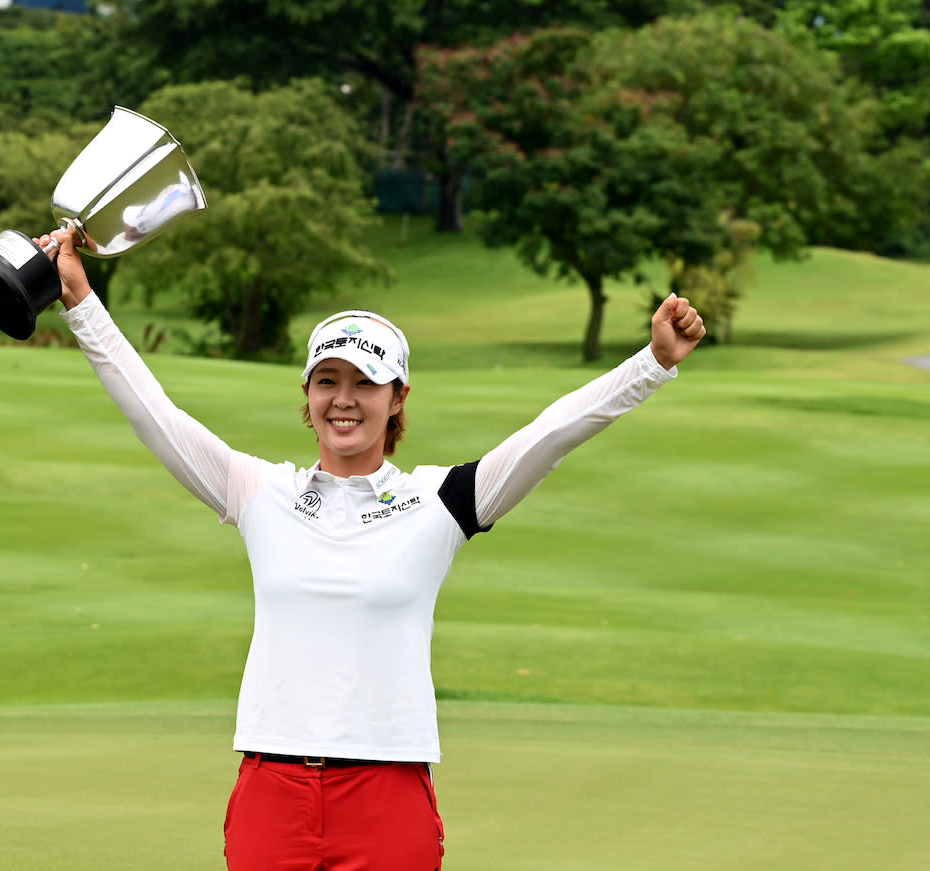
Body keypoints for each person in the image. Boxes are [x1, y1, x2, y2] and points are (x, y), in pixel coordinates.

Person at [36, 229, 706, 870]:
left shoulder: (442, 500)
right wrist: (81, 301)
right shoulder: (257, 490)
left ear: (398, 396)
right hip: (272, 788)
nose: (344, 399)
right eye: (328, 381)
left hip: (387, 789)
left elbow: (551, 434)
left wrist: (652, 364)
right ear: (307, 392)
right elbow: (155, 414)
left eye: (364, 382)